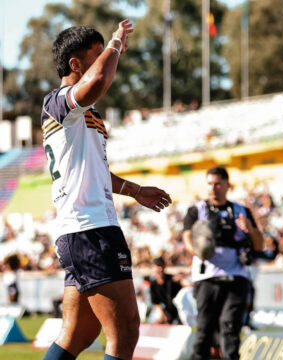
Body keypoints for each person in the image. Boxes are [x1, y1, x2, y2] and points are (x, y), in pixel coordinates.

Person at [42, 21, 172, 360]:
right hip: (90, 230)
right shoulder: (59, 102)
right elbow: (99, 79)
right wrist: (115, 41)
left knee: (77, 334)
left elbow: (95, 169)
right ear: (75, 65)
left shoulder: (84, 113)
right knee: (125, 331)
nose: (106, 60)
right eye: (96, 55)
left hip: (83, 230)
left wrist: (134, 189)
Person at [182, 166, 264, 360]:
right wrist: (198, 250)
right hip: (207, 275)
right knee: (204, 330)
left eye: (218, 184)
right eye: (210, 184)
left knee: (230, 329)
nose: (213, 188)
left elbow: (259, 246)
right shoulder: (196, 210)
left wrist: (250, 229)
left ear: (228, 185)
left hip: (237, 274)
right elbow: (186, 238)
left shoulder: (241, 211)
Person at [148, 257, 183, 324]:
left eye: (162, 266)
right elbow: (156, 303)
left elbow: (183, 282)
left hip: (175, 310)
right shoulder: (153, 284)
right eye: (158, 266)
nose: (160, 269)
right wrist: (162, 312)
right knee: (158, 316)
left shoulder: (171, 279)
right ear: (153, 267)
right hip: (163, 310)